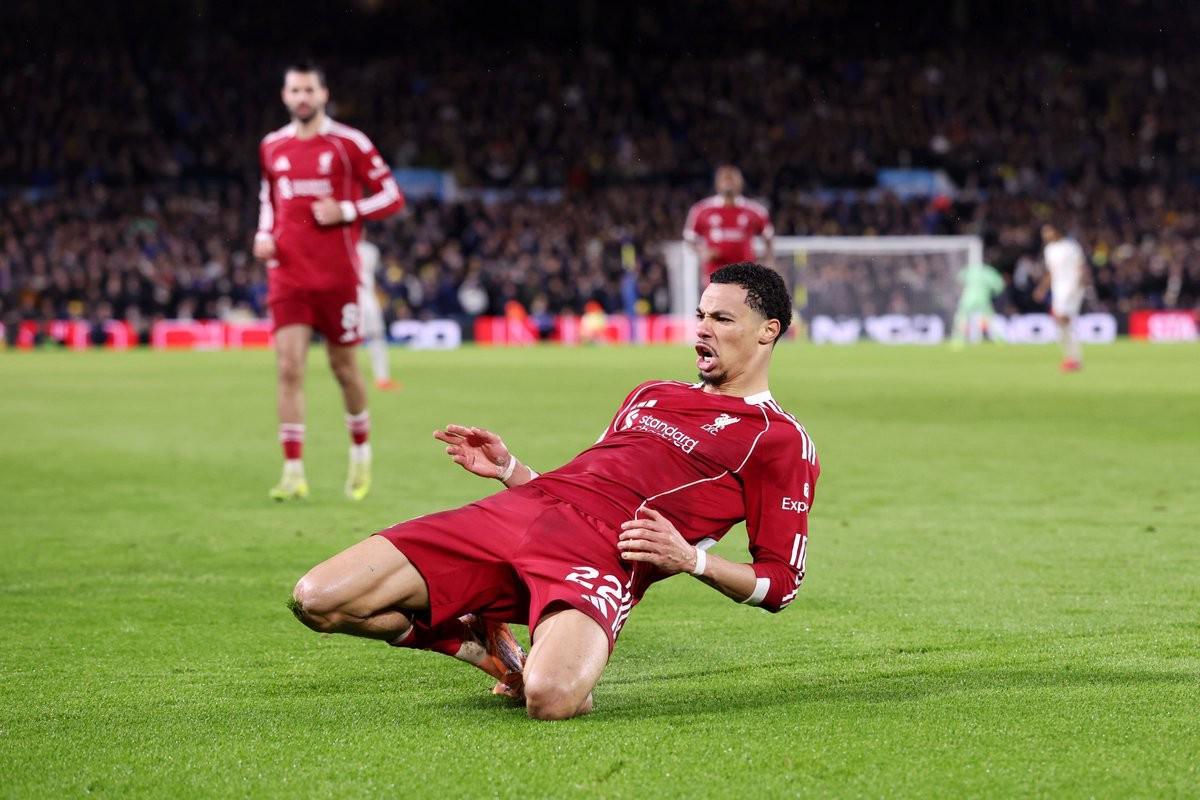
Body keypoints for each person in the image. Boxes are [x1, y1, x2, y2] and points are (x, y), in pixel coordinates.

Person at [289, 263, 820, 720]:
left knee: (550, 698)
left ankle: (520, 650)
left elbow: (781, 583)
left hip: (599, 556)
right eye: (700, 315)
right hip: (523, 509)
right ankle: (477, 645)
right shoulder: (651, 393)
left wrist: (691, 560)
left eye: (722, 319)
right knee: (317, 601)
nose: (701, 329)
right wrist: (510, 469)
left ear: (767, 331)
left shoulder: (780, 440)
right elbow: (584, 488)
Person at [253, 61, 405, 501]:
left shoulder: (348, 143)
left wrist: (347, 210)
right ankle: (292, 471)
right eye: (295, 91)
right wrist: (263, 234)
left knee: (344, 369)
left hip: (337, 277)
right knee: (288, 368)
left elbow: (392, 196)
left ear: (323, 94)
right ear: (285, 96)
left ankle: (360, 454)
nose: (302, 98)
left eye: (309, 90)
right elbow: (268, 198)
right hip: (287, 274)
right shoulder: (272, 146)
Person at [683, 166, 775, 283]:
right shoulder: (701, 210)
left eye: (732, 179)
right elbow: (689, 238)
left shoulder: (756, 210)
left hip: (746, 275)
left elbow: (768, 237)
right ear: (717, 183)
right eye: (725, 179)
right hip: (715, 274)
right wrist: (703, 251)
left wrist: (769, 262)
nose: (728, 182)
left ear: (741, 182)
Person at [1034, 224, 1089, 372]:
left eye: (1048, 231)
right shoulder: (1049, 250)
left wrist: (1080, 284)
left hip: (1072, 287)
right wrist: (1042, 288)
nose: (1046, 235)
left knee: (1062, 318)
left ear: (1056, 231)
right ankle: (1073, 358)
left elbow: (1081, 267)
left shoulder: (1071, 246)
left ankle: (1073, 358)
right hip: (1058, 289)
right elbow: (1052, 272)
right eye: (1044, 232)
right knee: (1062, 323)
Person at [356, 239, 399, 391]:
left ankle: (382, 378)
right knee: (366, 338)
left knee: (374, 336)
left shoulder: (368, 249)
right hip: (359, 296)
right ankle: (378, 378)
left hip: (364, 296)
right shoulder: (370, 250)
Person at [951, 254, 1006, 347]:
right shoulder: (990, 272)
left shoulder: (970, 270)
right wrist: (991, 294)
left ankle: (958, 340)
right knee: (988, 318)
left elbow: (959, 279)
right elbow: (999, 287)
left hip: (968, 298)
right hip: (982, 298)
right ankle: (998, 338)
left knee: (962, 318)